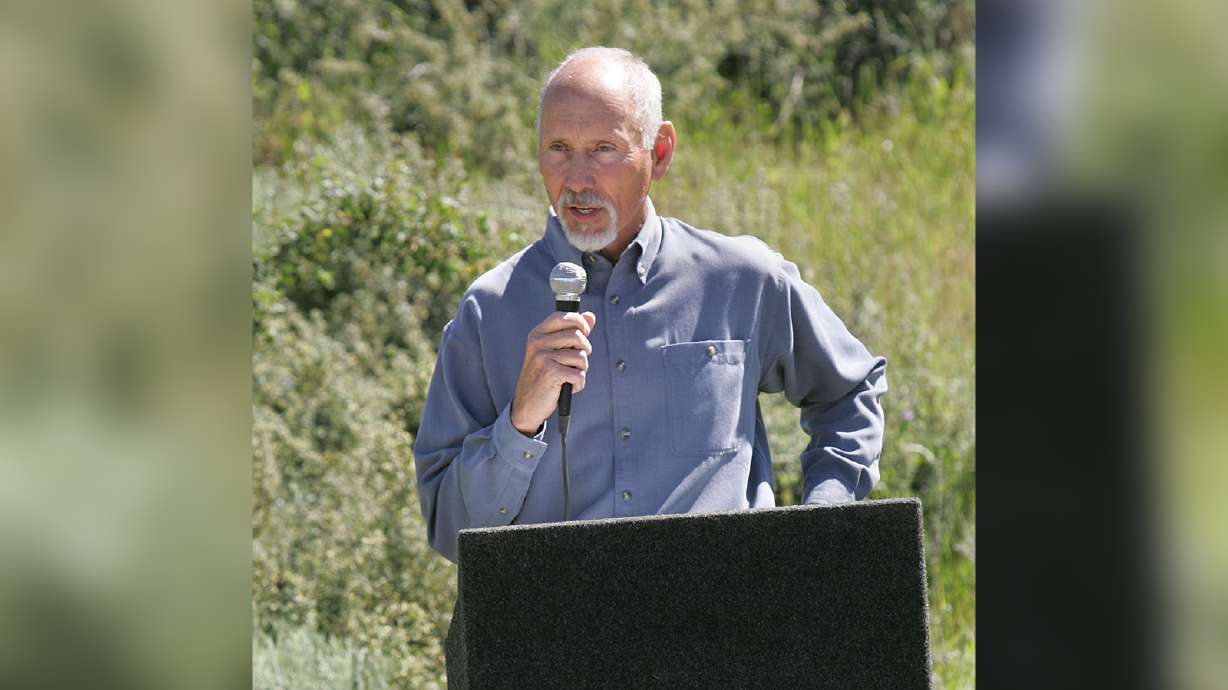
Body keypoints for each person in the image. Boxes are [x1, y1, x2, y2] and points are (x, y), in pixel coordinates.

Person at [413, 47, 888, 563]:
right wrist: (520, 423)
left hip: (726, 624)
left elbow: (850, 389)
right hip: (557, 635)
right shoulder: (489, 309)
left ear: (658, 152)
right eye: (558, 148)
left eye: (602, 149)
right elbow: (447, 524)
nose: (576, 179)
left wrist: (824, 517)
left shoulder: (742, 278)